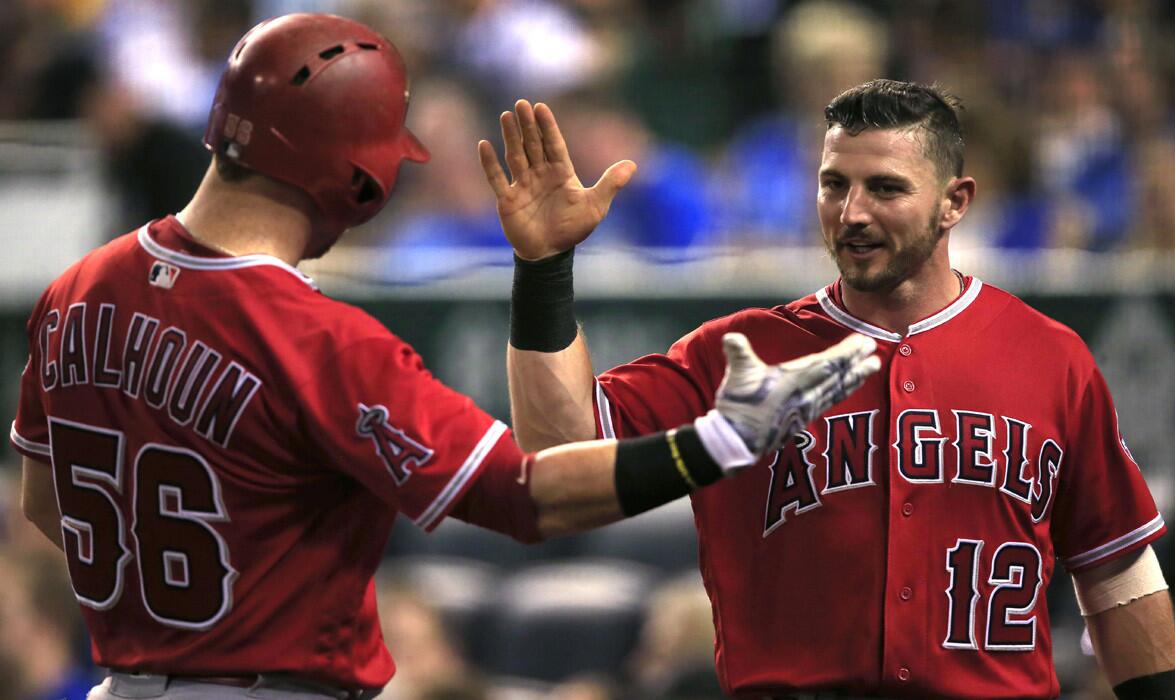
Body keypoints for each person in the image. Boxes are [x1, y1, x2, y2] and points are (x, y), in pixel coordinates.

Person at [8, 13, 881, 700]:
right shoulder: (317, 337)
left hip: (116, 682)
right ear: (357, 175)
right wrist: (721, 442)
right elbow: (527, 498)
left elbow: (48, 512)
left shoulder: (78, 288)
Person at [481, 81, 1175, 699]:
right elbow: (558, 448)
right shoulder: (742, 352)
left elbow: (1117, 570)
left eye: (885, 188)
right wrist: (543, 270)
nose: (850, 213)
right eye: (832, 185)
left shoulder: (1050, 357)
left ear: (954, 202)